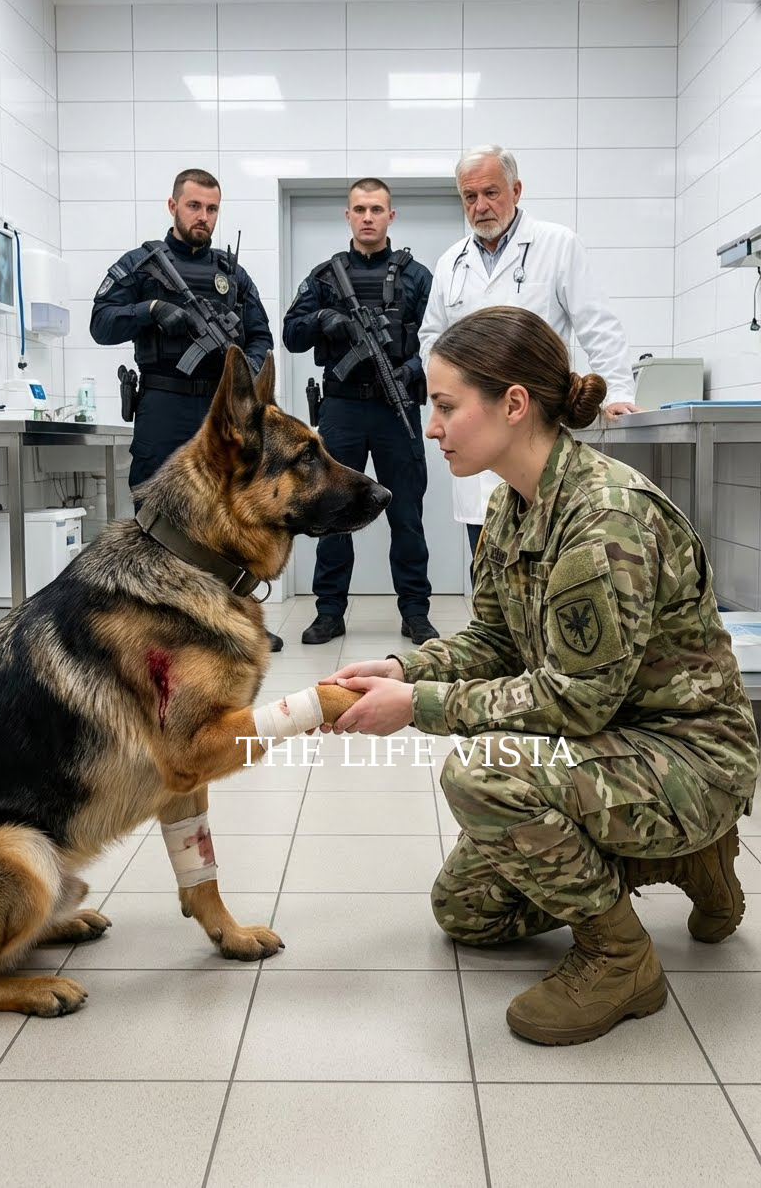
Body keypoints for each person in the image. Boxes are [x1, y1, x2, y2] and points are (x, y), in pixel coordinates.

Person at [321, 305, 759, 1046]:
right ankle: (686, 860)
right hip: (612, 743)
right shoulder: (512, 503)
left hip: (689, 756)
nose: (432, 427)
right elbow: (494, 639)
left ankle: (620, 958)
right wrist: (403, 666)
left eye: (447, 406)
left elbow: (575, 702)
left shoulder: (605, 520)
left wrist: (417, 704)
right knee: (466, 911)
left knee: (484, 772)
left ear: (514, 404)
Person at [90, 166, 284, 651]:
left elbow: (262, 335)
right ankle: (151, 623)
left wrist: (246, 370)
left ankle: (233, 619)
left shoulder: (232, 275)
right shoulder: (141, 264)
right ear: (173, 206)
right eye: (194, 206)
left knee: (230, 511)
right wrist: (151, 311)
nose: (203, 216)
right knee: (154, 513)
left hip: (221, 412)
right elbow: (101, 322)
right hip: (164, 401)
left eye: (212, 208)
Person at [419, 145, 639, 561]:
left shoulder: (557, 245)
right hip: (477, 425)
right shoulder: (451, 263)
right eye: (470, 196)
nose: (480, 206)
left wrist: (618, 392)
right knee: (488, 561)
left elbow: (597, 323)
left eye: (491, 192)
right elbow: (431, 338)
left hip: (533, 425)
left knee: (547, 552)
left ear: (516, 190)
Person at [283, 177, 439, 646]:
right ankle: (329, 612)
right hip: (342, 409)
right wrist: (322, 318)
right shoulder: (324, 276)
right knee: (331, 511)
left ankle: (416, 613)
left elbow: (441, 337)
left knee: (406, 516)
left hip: (397, 408)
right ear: (347, 216)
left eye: (376, 209)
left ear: (391, 216)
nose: (367, 217)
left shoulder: (416, 276)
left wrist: (412, 369)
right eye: (359, 209)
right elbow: (291, 334)